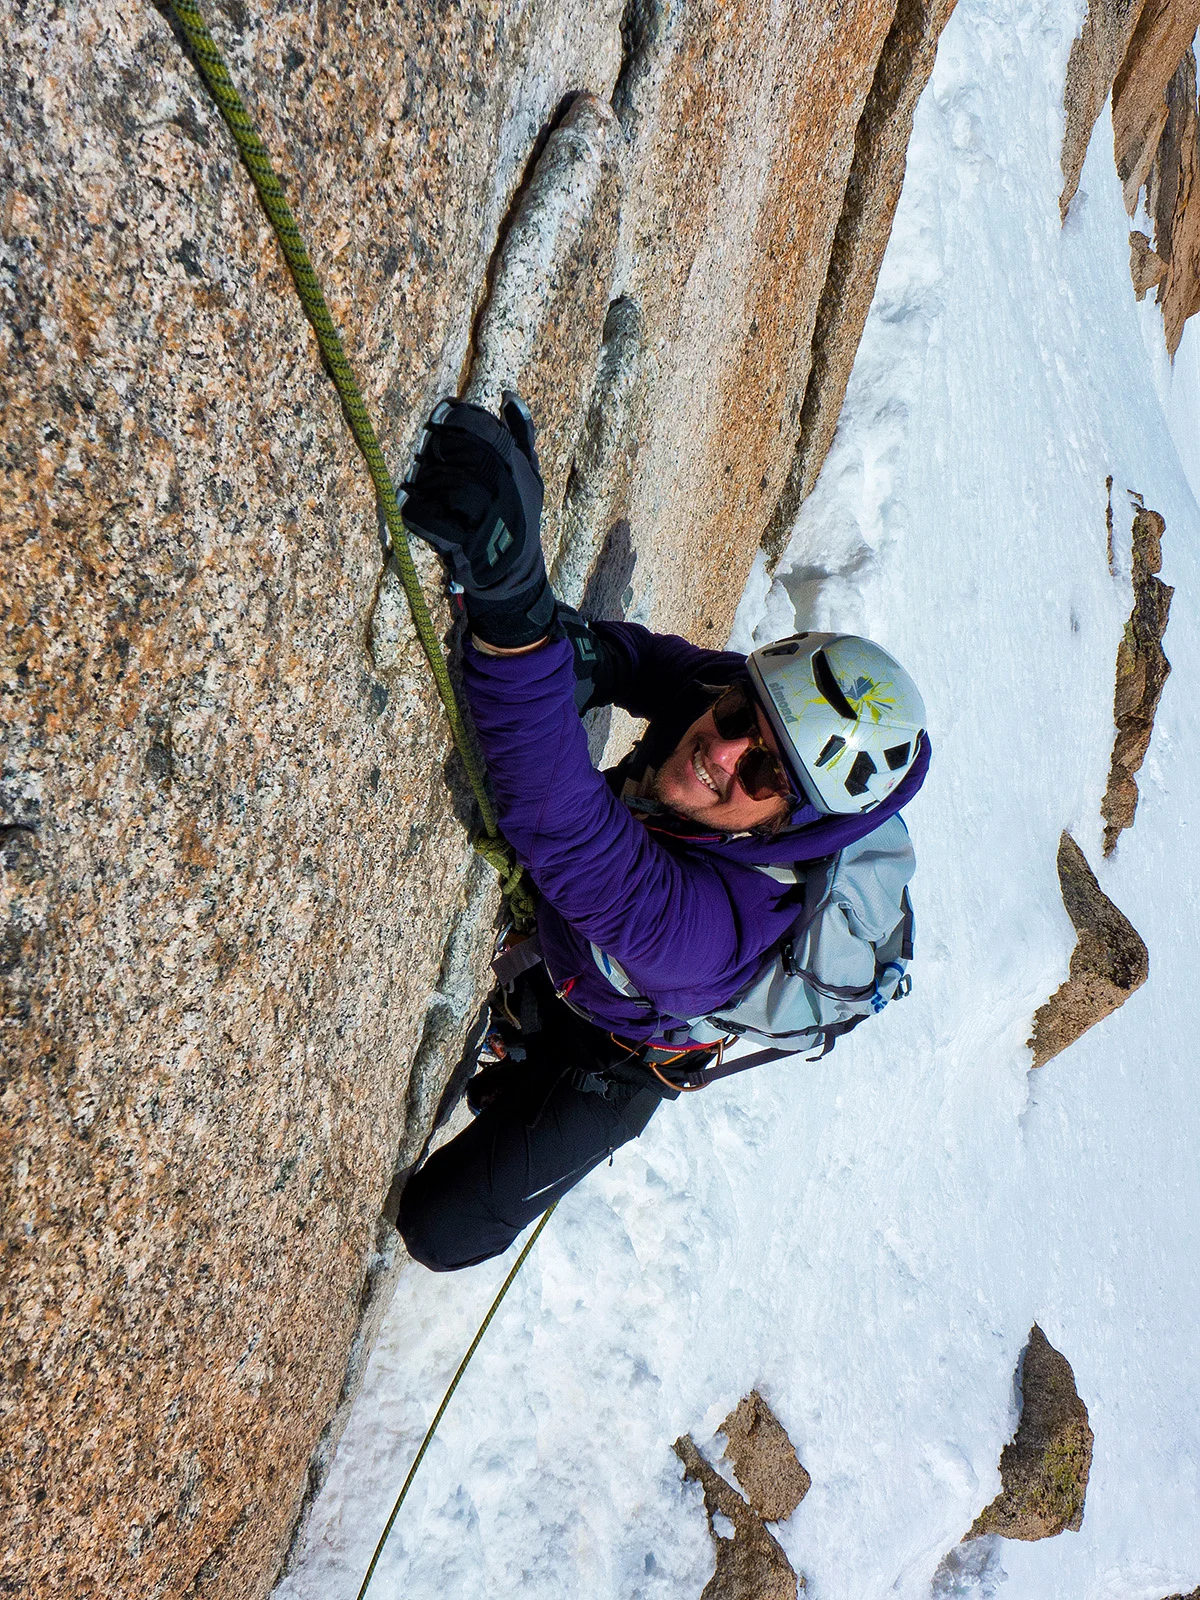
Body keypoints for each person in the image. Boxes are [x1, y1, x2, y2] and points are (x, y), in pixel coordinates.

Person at [395, 394, 930, 1271]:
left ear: (793, 824)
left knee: (442, 1229)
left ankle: (536, 1042)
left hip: (623, 1052)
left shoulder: (713, 931)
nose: (720, 749)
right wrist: (580, 652)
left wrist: (513, 606)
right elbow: (658, 667)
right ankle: (538, 1006)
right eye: (735, 711)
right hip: (597, 954)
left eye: (763, 776)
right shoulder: (767, 714)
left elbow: (563, 829)